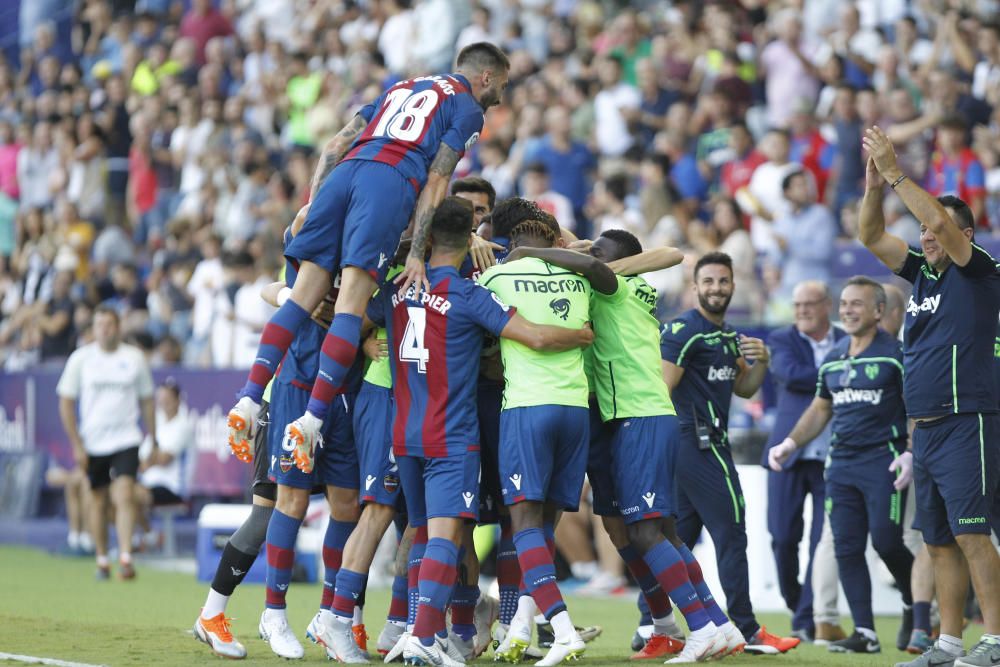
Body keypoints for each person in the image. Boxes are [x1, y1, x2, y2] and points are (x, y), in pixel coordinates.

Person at [225, 43, 510, 476]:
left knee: (301, 297)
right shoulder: (469, 108)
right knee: (350, 304)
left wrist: (315, 206)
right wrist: (416, 254)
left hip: (346, 174)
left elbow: (335, 146)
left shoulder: (403, 86)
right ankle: (312, 420)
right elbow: (437, 180)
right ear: (485, 77)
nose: (502, 97)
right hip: (389, 181)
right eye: (502, 86)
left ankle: (248, 398)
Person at [367, 197, 594, 666]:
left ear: (427, 239)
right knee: (448, 536)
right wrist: (579, 335)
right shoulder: (469, 295)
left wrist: (371, 339)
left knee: (422, 530)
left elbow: (353, 322)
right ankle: (426, 637)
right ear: (469, 239)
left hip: (405, 431)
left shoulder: (395, 290)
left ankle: (416, 630)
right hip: (452, 433)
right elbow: (534, 336)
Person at [511, 231, 748, 662]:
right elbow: (607, 258)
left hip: (639, 414)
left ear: (615, 261)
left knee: (644, 530)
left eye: (600, 254)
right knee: (651, 531)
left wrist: (527, 252)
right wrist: (574, 247)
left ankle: (698, 628)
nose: (591, 257)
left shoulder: (615, 286)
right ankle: (719, 624)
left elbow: (631, 259)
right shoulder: (632, 284)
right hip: (631, 416)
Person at [859, 126, 1000, 667]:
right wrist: (874, 186)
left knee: (971, 536)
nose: (927, 236)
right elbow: (870, 235)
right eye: (921, 229)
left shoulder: (979, 271)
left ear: (964, 233)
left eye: (937, 230)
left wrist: (896, 171)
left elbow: (940, 218)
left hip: (969, 421)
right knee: (937, 542)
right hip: (928, 426)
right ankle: (946, 643)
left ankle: (993, 638)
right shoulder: (921, 275)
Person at [660, 252, 800, 655]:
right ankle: (746, 629)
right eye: (709, 281)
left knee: (676, 539)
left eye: (723, 281)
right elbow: (662, 391)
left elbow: (745, 389)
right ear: (695, 286)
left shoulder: (728, 337)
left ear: (733, 285)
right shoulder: (684, 331)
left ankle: (655, 628)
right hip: (698, 444)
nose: (716, 288)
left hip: (699, 445)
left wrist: (763, 362)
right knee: (732, 534)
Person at [769, 277, 915, 654]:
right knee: (847, 548)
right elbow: (820, 407)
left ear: (879, 311)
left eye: (858, 304)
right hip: (841, 466)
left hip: (884, 462)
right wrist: (789, 443)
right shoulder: (834, 356)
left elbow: (917, 407)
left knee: (885, 541)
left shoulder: (896, 354)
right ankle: (865, 633)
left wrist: (912, 452)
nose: (848, 310)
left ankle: (914, 601)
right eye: (845, 304)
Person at [477, 218, 600, 665]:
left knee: (522, 522)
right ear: (555, 240)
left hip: (528, 408)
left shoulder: (497, 275)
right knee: (545, 525)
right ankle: (521, 627)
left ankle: (563, 630)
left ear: (510, 244)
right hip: (575, 410)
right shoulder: (577, 275)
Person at [763, 280, 845, 643]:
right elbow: (789, 374)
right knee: (782, 537)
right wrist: (842, 375)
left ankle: (807, 616)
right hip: (789, 451)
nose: (801, 312)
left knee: (822, 543)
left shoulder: (847, 337)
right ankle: (797, 603)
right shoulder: (781, 339)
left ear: (827, 305)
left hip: (834, 453)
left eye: (809, 305)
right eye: (796, 306)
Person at [56, 305, 156, 580]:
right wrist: (76, 443)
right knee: (97, 500)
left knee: (124, 493)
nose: (105, 330)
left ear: (118, 327)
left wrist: (153, 436)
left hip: (126, 437)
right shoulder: (81, 359)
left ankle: (125, 556)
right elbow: (66, 401)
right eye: (99, 325)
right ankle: (102, 557)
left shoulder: (134, 358)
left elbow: (147, 400)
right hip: (94, 440)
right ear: (94, 329)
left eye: (109, 324)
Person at [135, 379, 194, 547]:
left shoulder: (184, 425)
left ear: (177, 400)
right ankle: (147, 535)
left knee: (130, 494)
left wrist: (150, 459)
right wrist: (151, 459)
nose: (163, 403)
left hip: (173, 487)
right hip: (149, 483)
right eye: (160, 399)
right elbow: (144, 459)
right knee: (121, 492)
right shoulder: (158, 423)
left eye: (167, 399)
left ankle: (144, 537)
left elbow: (163, 459)